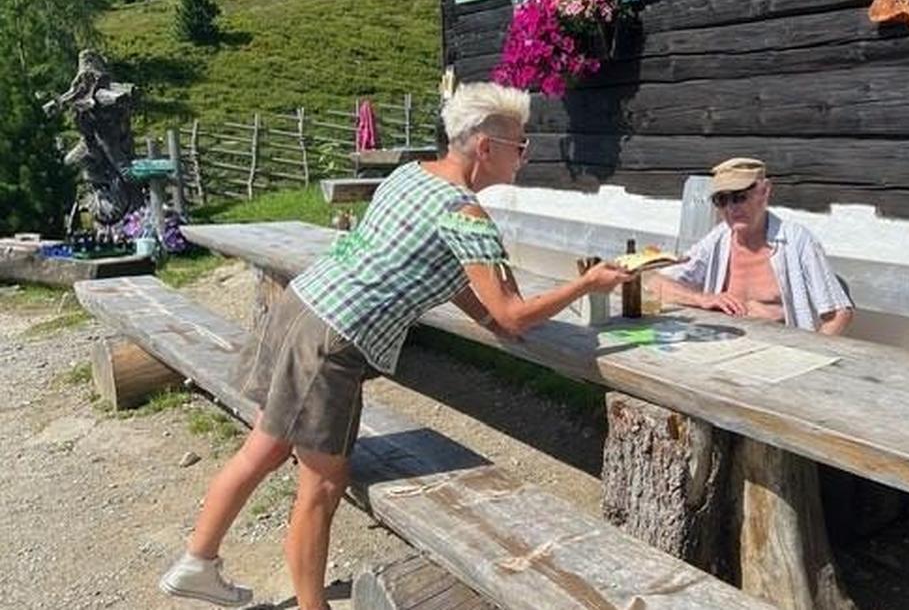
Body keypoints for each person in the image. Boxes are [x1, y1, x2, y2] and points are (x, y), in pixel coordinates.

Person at [158, 83, 632, 609]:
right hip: (333, 340)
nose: (525, 156)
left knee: (266, 447)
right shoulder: (465, 213)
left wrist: (484, 315)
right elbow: (514, 315)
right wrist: (588, 285)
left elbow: (431, 264)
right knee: (322, 485)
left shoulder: (410, 175)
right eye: (520, 145)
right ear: (485, 147)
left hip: (302, 308)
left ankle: (197, 562)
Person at [655, 157, 853, 334]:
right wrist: (702, 299)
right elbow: (656, 284)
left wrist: (809, 356)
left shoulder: (796, 241)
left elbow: (839, 313)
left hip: (778, 350)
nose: (731, 208)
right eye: (722, 200)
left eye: (739, 196)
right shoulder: (718, 239)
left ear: (765, 191)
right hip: (721, 344)